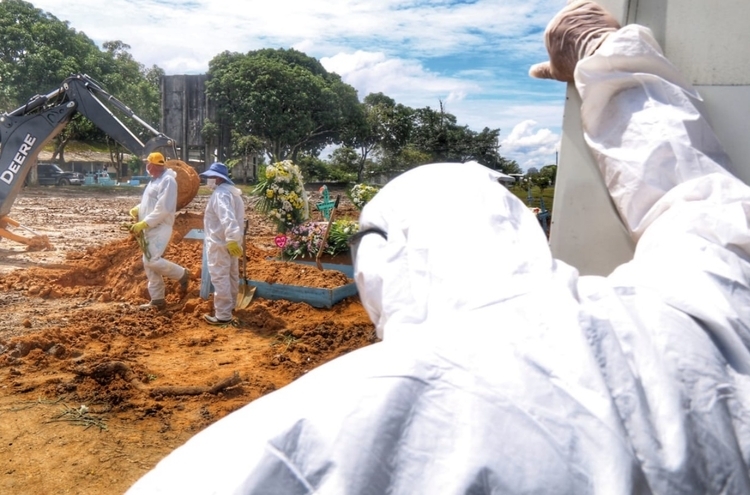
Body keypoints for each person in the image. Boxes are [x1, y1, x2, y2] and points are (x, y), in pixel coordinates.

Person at [127, 2, 750, 493]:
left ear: (378, 272)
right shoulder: (694, 318)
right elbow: (694, 194)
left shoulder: (287, 443)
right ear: (517, 229)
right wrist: (602, 54)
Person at [129, 152, 189, 310]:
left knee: (152, 260)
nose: (147, 166)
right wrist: (138, 209)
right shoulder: (154, 180)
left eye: (148, 164)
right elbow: (151, 203)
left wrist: (144, 223)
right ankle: (157, 299)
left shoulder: (168, 181)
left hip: (160, 227)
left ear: (154, 165)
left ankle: (182, 274)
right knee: (148, 262)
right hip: (149, 227)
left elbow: (163, 208)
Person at [199, 162, 245, 325]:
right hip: (232, 243)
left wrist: (231, 238)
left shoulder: (221, 194)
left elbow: (227, 217)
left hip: (220, 242)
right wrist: (234, 240)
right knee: (232, 275)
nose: (208, 180)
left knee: (220, 277)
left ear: (218, 178)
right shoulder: (233, 193)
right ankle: (230, 307)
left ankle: (223, 315)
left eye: (211, 177)